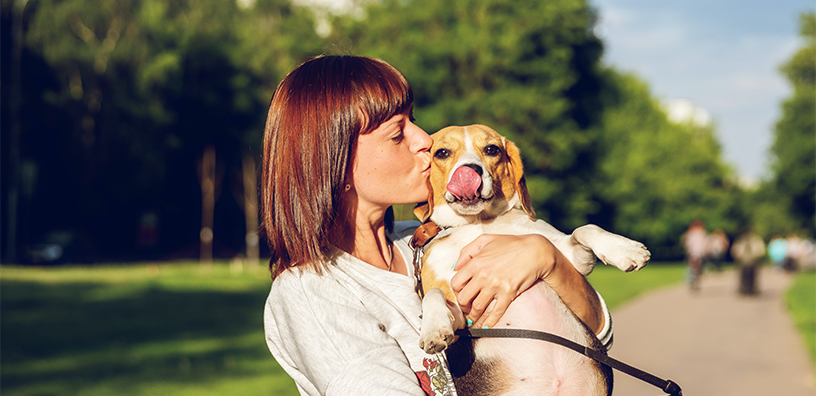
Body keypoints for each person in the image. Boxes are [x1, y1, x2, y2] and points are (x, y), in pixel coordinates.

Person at [259, 55, 613, 395]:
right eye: (398, 133)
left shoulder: (435, 239)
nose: (425, 140)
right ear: (334, 162)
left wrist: (546, 259)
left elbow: (597, 338)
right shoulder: (312, 292)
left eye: (413, 120)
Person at [730, 227, 765, 295]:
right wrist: (738, 255)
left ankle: (752, 288)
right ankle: (744, 288)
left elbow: (760, 249)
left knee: (753, 276)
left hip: (753, 260)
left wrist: (756, 254)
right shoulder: (740, 240)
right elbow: (735, 249)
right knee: (743, 276)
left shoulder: (755, 240)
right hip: (743, 260)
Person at [681, 220, 707, 290]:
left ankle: (692, 280)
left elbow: (687, 244)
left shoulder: (691, 234)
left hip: (693, 253)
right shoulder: (701, 233)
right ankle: (694, 280)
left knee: (693, 267)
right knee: (697, 268)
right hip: (698, 253)